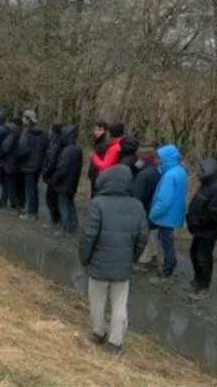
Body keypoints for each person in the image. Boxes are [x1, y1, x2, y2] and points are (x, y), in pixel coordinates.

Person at [79, 165, 149, 354]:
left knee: (97, 299)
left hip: (98, 263)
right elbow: (143, 236)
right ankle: (116, 341)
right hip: (123, 264)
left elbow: (89, 236)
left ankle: (98, 331)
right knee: (119, 303)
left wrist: (85, 258)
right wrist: (132, 257)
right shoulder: (137, 205)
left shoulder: (98, 204)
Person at [185, 158, 217, 301]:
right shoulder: (205, 184)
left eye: (200, 170)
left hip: (207, 231)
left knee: (204, 258)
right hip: (199, 229)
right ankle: (197, 280)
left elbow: (214, 214)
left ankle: (204, 286)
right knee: (194, 254)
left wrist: (197, 222)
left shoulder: (216, 188)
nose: (197, 173)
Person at [149, 144, 188, 285]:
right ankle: (170, 266)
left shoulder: (169, 176)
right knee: (166, 240)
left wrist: (153, 214)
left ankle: (167, 272)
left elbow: (164, 201)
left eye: (160, 158)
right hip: (174, 214)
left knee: (166, 243)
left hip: (166, 217)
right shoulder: (180, 171)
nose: (158, 160)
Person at [50, 125, 83, 237]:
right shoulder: (77, 150)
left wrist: (55, 178)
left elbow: (62, 168)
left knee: (63, 204)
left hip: (64, 182)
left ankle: (66, 227)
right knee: (70, 203)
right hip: (73, 182)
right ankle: (73, 224)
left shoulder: (66, 151)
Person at [132, 160, 162, 272]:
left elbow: (137, 195)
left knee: (146, 235)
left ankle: (144, 261)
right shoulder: (158, 171)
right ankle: (153, 256)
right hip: (154, 208)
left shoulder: (143, 175)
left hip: (146, 209)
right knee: (153, 234)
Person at [18, 110, 48, 221]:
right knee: (34, 188)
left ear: (27, 120)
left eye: (24, 118)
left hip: (28, 164)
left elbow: (23, 149)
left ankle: (31, 212)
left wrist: (19, 157)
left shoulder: (26, 132)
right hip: (38, 164)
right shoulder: (44, 133)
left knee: (30, 189)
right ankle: (33, 211)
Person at [41, 124, 64, 229]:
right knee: (52, 198)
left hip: (53, 175)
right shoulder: (56, 142)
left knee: (51, 198)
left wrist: (45, 172)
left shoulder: (56, 144)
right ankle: (56, 219)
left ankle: (55, 220)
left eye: (50, 130)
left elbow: (51, 160)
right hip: (54, 174)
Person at [88, 121, 108, 197]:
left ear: (105, 131)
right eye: (95, 129)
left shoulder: (104, 144)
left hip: (98, 175)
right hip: (94, 174)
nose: (96, 132)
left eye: (100, 130)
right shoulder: (98, 142)